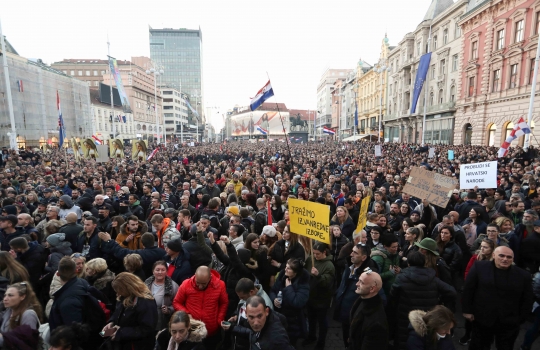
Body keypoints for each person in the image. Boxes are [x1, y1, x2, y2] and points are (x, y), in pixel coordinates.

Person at [462, 246, 534, 349]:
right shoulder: (479, 267)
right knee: (478, 346)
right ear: (494, 255)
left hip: (509, 322)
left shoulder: (523, 275)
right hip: (482, 318)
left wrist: (520, 319)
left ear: (513, 259)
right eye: (501, 255)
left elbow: (527, 299)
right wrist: (467, 310)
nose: (505, 259)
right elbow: (468, 289)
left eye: (509, 257)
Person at [389, 252, 456, 350]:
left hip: (405, 317)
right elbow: (452, 292)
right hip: (428, 318)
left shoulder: (401, 278)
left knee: (404, 342)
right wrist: (439, 302)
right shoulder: (433, 279)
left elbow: (392, 298)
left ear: (408, 264)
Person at [173, 266, 228, 349]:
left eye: (204, 283)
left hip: (212, 330)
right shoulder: (186, 284)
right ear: (195, 275)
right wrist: (187, 313)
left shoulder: (220, 285)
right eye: (198, 282)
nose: (200, 286)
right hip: (193, 330)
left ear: (210, 278)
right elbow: (177, 302)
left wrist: (219, 320)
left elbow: (224, 303)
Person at [101, 272, 158, 350]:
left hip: (137, 345)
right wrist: (112, 322)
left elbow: (147, 329)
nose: (117, 293)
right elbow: (117, 312)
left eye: (119, 290)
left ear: (127, 288)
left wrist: (122, 332)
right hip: (122, 343)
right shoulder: (123, 297)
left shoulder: (146, 302)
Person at [268, 258, 310, 347]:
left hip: (293, 321)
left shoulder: (303, 284)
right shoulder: (282, 276)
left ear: (295, 272)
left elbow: (297, 302)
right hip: (280, 317)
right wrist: (274, 298)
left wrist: (289, 288)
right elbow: (272, 290)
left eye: (289, 268)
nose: (285, 269)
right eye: (286, 267)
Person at [228, 295, 295, 350]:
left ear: (266, 312)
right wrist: (231, 327)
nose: (256, 323)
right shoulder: (263, 322)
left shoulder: (277, 339)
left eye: (259, 316)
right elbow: (250, 333)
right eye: (251, 317)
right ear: (246, 314)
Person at [303, 242, 335, 350]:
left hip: (322, 299)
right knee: (311, 320)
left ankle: (321, 342)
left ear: (324, 252)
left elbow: (327, 283)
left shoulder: (329, 265)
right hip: (310, 297)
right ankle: (311, 336)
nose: (315, 256)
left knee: (322, 323)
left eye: (318, 254)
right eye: (314, 253)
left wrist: (318, 276)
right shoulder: (311, 259)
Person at [349, 269, 389, 350]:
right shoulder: (362, 299)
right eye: (358, 280)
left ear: (372, 289)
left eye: (361, 282)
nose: (357, 284)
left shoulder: (376, 324)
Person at [0, 282, 43, 348]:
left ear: (22, 297)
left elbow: (28, 341)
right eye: (5, 295)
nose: (5, 299)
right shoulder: (8, 311)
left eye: (10, 295)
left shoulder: (28, 314)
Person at [144, 260, 179, 332]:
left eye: (163, 270)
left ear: (166, 272)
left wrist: (169, 309)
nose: (160, 272)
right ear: (153, 271)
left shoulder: (173, 286)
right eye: (157, 270)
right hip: (146, 318)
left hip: (163, 320)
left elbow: (178, 303)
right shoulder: (146, 284)